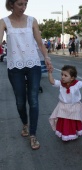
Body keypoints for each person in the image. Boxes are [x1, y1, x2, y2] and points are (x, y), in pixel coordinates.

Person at [0, 0, 53, 150]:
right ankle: (25, 123)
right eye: (19, 4)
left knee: (34, 100)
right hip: (15, 66)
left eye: (25, 4)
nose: (23, 8)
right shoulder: (3, 22)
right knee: (20, 101)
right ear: (11, 4)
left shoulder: (32, 20)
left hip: (33, 65)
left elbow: (40, 43)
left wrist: (47, 58)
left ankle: (33, 134)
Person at [49, 65, 82, 141]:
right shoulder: (60, 83)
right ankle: (65, 134)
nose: (62, 77)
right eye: (62, 74)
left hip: (74, 106)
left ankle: (73, 133)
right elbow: (52, 81)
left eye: (65, 75)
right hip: (63, 106)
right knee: (65, 121)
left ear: (72, 78)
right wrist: (50, 73)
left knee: (73, 121)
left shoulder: (77, 83)